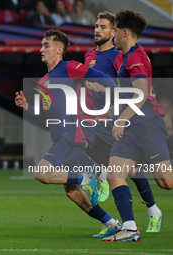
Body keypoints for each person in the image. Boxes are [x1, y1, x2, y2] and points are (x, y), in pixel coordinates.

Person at [15, 29, 122, 236]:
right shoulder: (43, 81)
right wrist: (27, 107)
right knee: (72, 192)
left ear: (59, 50)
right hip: (60, 138)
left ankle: (86, 176)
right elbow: (45, 117)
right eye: (41, 45)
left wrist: (111, 103)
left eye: (46, 45)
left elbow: (105, 80)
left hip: (72, 135)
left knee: (41, 173)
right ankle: (111, 224)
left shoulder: (70, 67)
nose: (41, 49)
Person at [82, 11, 163, 234]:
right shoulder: (91, 55)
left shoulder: (125, 56)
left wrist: (116, 113)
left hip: (129, 120)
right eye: (96, 26)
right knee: (110, 169)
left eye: (105, 27)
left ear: (116, 32)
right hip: (100, 117)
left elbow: (136, 91)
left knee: (146, 174)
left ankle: (153, 209)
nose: (98, 30)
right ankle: (127, 225)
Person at [99, 10, 173, 242]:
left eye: (115, 30)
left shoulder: (135, 57)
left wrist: (121, 119)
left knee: (166, 182)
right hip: (131, 127)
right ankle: (130, 228)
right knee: (114, 175)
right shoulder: (126, 56)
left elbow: (140, 93)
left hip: (147, 124)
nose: (112, 35)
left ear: (124, 32)